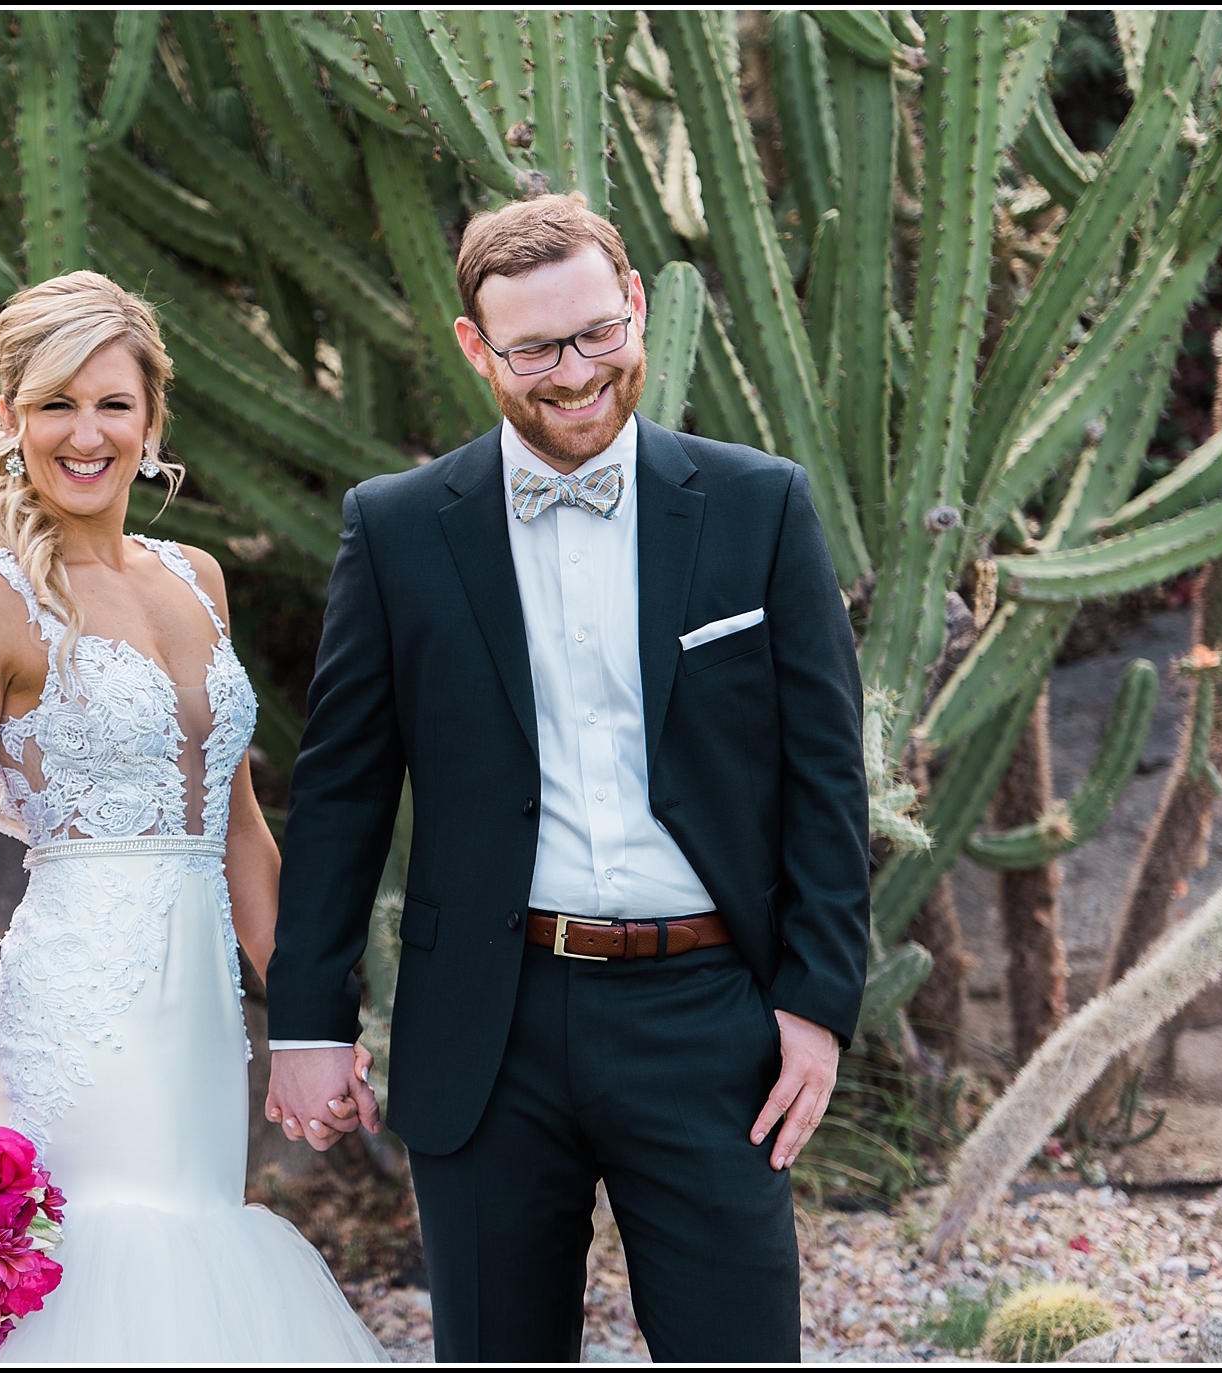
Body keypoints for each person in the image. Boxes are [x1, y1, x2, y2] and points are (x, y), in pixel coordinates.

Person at [264, 193, 869, 1362]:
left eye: (597, 332)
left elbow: (824, 777)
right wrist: (308, 1019)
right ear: (473, 346)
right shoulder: (394, 529)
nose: (575, 372)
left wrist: (814, 1001)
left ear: (636, 305)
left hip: (708, 1016)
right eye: (534, 349)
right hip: (486, 1020)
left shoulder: (760, 505)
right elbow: (339, 788)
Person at [0, 271, 384, 1363]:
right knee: (105, 1269)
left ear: (152, 419)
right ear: (10, 419)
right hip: (79, 1008)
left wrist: (312, 1019)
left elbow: (237, 828)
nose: (84, 432)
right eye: (54, 402)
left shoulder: (196, 578)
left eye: (111, 402)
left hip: (199, 1018)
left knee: (195, 1267)